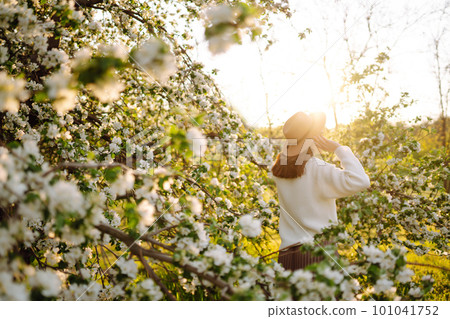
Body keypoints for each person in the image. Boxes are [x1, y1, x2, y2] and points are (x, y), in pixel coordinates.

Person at [271, 111, 370, 271]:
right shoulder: (316, 168)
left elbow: (293, 161)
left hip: (286, 256)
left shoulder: (277, 169)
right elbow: (361, 180)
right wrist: (339, 149)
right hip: (317, 253)